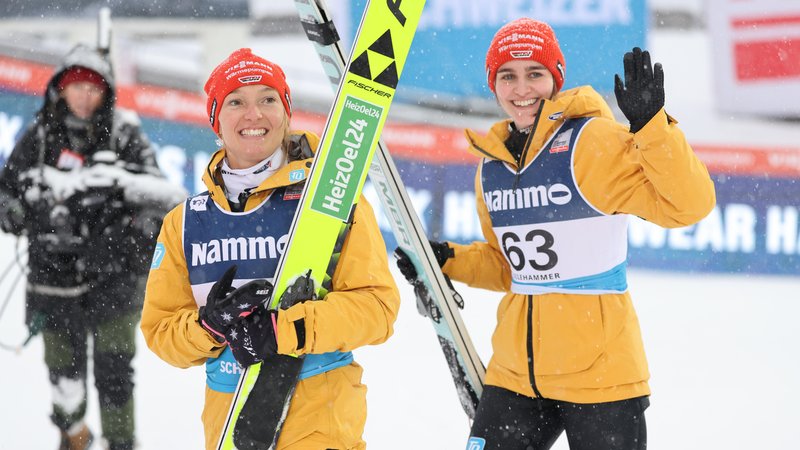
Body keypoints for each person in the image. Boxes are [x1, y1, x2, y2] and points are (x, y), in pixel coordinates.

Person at [395, 18, 716, 450]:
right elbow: (509, 268)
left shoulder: (593, 142)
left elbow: (690, 205)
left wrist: (652, 127)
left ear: (556, 77)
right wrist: (447, 259)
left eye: (534, 73)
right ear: (493, 85)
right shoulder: (493, 164)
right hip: (516, 374)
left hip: (600, 375)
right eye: (507, 76)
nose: (521, 89)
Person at [140, 48, 400, 450]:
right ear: (215, 120)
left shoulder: (330, 198)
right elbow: (161, 332)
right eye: (236, 102)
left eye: (267, 99)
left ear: (286, 111)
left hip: (320, 422)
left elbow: (377, 309)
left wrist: (286, 330)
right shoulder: (185, 221)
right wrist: (209, 326)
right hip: (229, 425)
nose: (254, 114)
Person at [0, 44, 184, 450]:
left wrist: (121, 217)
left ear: (107, 93)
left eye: (94, 88)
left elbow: (168, 201)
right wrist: (19, 212)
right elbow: (5, 191)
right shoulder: (40, 136)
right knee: (63, 376)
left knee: (115, 374)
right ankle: (75, 438)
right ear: (60, 89)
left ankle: (121, 443)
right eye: (77, 86)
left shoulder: (125, 134)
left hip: (115, 283)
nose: (85, 96)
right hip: (52, 282)